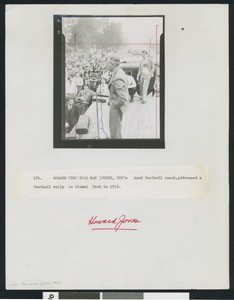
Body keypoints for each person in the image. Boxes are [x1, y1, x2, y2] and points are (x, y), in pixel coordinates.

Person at [107, 54, 129, 139]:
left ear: (113, 64)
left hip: (116, 107)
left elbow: (122, 98)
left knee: (115, 129)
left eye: (108, 63)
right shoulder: (118, 71)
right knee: (115, 128)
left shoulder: (117, 77)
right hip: (116, 104)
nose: (106, 65)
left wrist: (114, 105)